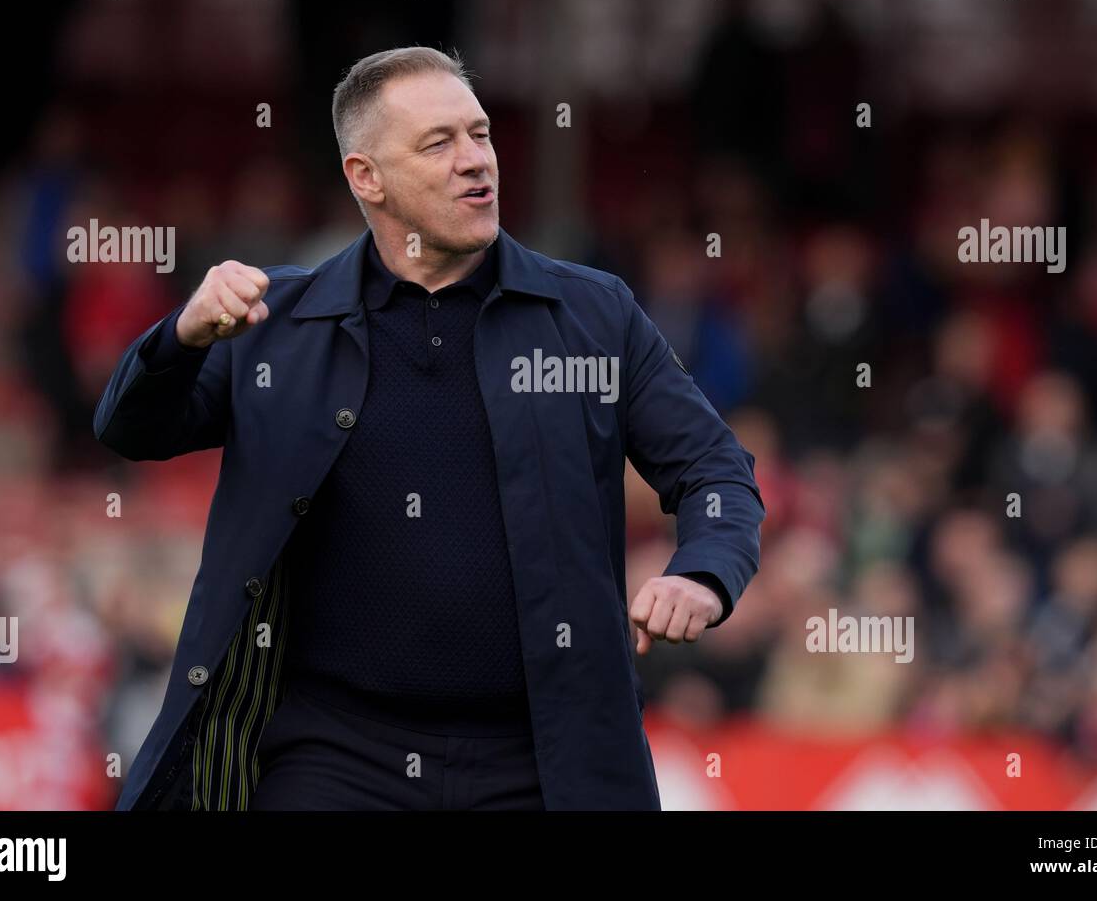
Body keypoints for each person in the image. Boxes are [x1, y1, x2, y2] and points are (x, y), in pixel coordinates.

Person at [94, 46, 765, 810]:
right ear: (365, 177)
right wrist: (180, 336)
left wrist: (703, 571)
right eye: (438, 143)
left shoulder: (592, 316)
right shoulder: (272, 322)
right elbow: (130, 428)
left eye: (480, 134)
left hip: (544, 760)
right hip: (331, 756)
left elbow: (716, 469)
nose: (475, 161)